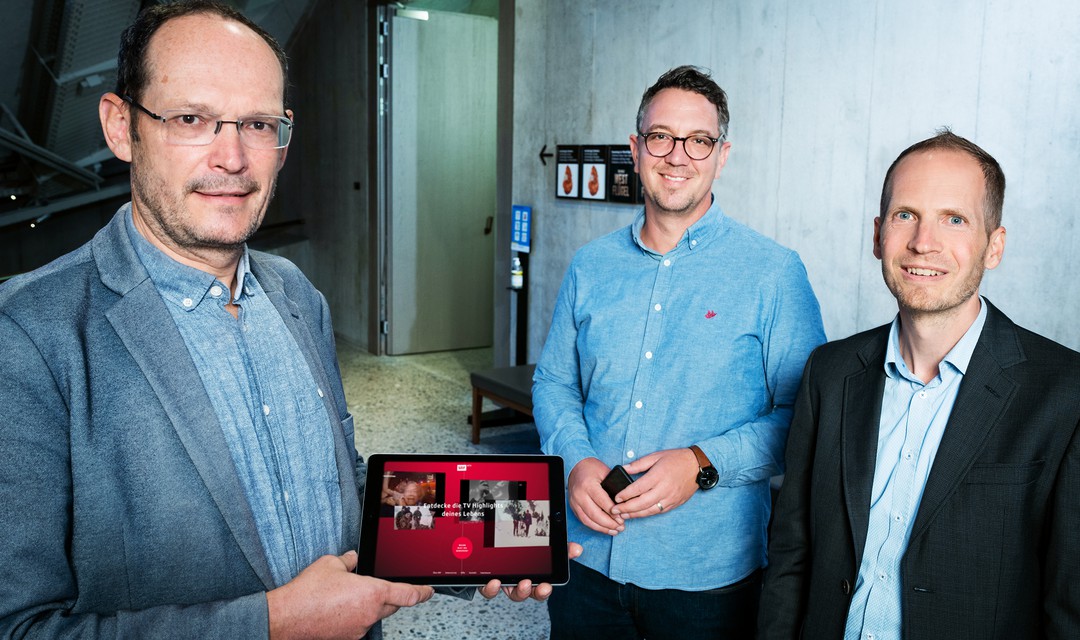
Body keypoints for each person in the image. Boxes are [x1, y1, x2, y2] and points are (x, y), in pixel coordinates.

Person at [0, 2, 568, 638]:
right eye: (192, 118)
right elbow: (21, 627)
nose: (233, 158)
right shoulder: (27, 337)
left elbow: (340, 483)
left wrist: (474, 541)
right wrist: (271, 623)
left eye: (257, 124)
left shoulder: (296, 293)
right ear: (120, 126)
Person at [533, 65, 826, 639]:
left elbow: (805, 419)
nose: (678, 156)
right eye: (661, 137)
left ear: (723, 155)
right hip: (584, 559)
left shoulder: (774, 274)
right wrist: (575, 460)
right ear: (636, 149)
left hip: (707, 580)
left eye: (699, 141)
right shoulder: (590, 266)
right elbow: (554, 384)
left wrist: (701, 463)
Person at [757, 130, 1080, 639]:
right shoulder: (830, 373)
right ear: (878, 234)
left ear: (994, 246)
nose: (923, 242)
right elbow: (791, 555)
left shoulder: (1065, 394)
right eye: (906, 215)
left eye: (954, 219)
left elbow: (1069, 606)